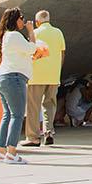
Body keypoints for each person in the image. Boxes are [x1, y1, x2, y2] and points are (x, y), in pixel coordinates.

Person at [0, 7, 39, 164]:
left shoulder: (7, 36)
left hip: (4, 77)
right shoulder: (14, 35)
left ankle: (1, 151)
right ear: (15, 19)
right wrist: (31, 32)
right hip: (13, 78)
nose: (24, 21)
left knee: (8, 115)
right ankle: (12, 152)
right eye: (21, 17)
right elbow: (32, 48)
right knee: (17, 115)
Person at [27, 9, 66, 147]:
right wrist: (57, 70)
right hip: (53, 75)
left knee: (33, 107)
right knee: (49, 105)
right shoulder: (58, 32)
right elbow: (62, 54)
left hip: (36, 75)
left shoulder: (35, 33)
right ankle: (48, 132)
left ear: (37, 22)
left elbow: (30, 52)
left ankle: (33, 136)